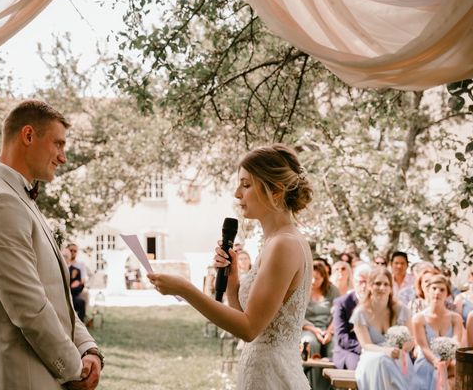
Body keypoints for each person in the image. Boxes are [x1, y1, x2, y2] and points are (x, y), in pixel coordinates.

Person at [0, 100, 103, 390]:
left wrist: (88, 348)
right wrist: (74, 369)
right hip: (13, 376)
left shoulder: (19, 199)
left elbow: (55, 294)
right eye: (58, 144)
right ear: (28, 136)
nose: (63, 158)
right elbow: (29, 308)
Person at [149, 144, 314, 390]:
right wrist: (234, 279)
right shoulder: (276, 241)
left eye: (246, 185)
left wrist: (185, 289)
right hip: (260, 371)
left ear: (276, 190)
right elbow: (247, 319)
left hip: (273, 378)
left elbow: (249, 329)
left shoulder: (284, 245)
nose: (237, 194)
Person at [351, 267, 415, 389]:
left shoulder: (402, 310)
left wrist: (401, 350)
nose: (382, 288)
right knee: (382, 360)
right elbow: (366, 345)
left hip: (398, 357)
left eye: (386, 284)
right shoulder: (360, 313)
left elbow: (411, 341)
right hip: (372, 356)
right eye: (377, 284)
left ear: (391, 288)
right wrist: (386, 351)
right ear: (370, 286)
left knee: (388, 361)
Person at [412, 274, 463, 390]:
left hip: (450, 360)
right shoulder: (418, 319)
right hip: (427, 359)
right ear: (428, 291)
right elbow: (423, 347)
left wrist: (446, 361)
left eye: (442, 290)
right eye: (434, 288)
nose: (437, 292)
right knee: (428, 368)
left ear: (448, 294)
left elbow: (456, 341)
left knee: (455, 369)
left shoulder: (456, 318)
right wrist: (437, 362)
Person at [302, 261, 339, 390]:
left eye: (317, 278)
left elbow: (338, 314)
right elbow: (297, 316)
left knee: (334, 346)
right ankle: (311, 386)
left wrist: (329, 331)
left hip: (328, 329)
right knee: (310, 343)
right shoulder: (302, 289)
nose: (313, 281)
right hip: (307, 328)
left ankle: (331, 386)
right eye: (311, 276)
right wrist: (314, 330)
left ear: (324, 278)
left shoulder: (332, 290)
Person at [332, 263, 371, 370]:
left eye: (367, 282)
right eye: (361, 282)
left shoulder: (375, 303)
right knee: (360, 367)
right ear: (354, 282)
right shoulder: (342, 303)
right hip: (349, 350)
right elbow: (342, 337)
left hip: (373, 349)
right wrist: (364, 347)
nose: (364, 286)